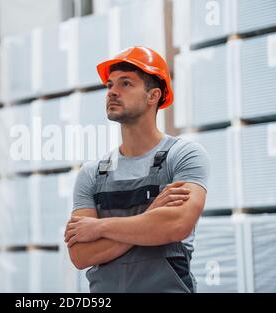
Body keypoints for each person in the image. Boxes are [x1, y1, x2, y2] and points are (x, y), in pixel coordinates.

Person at [64, 46, 210, 293]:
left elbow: (176, 225)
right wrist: (150, 217)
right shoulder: (91, 173)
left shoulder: (184, 155)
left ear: (153, 96)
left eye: (126, 84)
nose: (112, 92)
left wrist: (98, 228)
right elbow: (80, 254)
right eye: (110, 85)